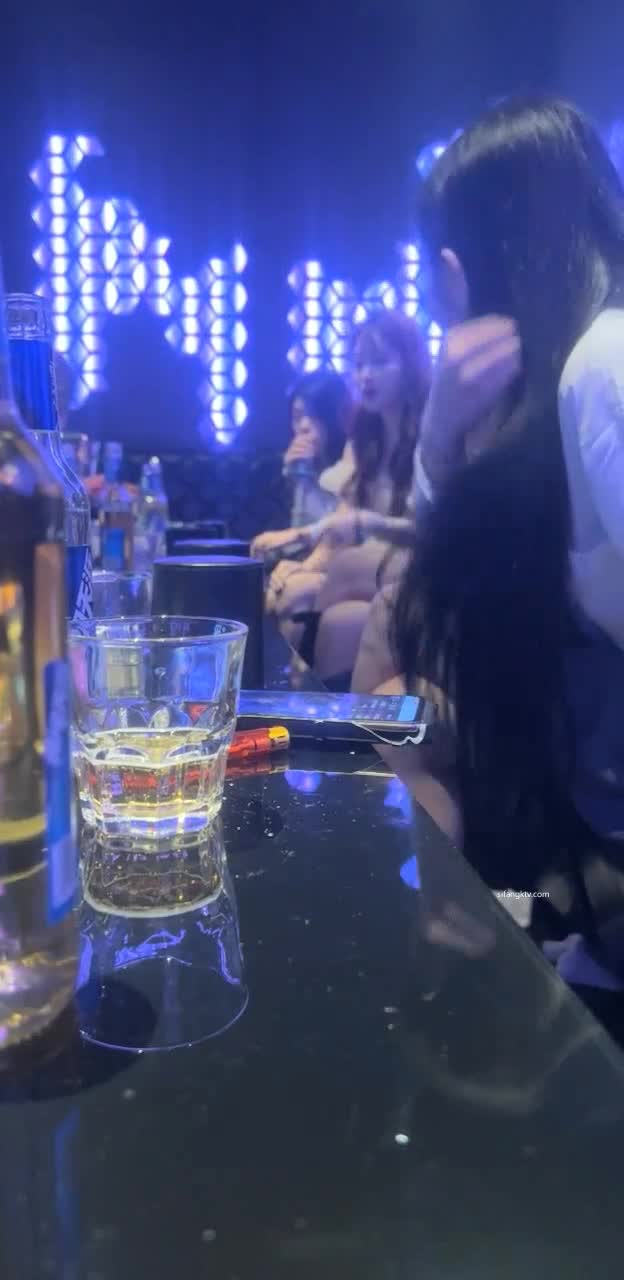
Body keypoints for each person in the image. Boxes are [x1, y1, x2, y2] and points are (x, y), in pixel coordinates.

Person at [371, 95, 624, 955]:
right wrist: (440, 437)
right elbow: (448, 594)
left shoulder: (603, 367)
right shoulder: (568, 386)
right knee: (388, 714)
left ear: (457, 269)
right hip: (585, 864)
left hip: (598, 880)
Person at [255, 309, 430, 630]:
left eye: (379, 362)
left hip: (419, 565)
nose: (366, 375)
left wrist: (364, 523)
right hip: (366, 563)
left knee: (295, 592)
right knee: (294, 597)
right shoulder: (364, 438)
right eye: (359, 364)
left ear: (410, 364)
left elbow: (431, 529)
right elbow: (341, 521)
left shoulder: (431, 436)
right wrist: (304, 558)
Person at [280, 370, 351, 526]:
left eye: (314, 415)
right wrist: (292, 479)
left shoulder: (355, 465)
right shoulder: (288, 468)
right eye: (297, 417)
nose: (304, 426)